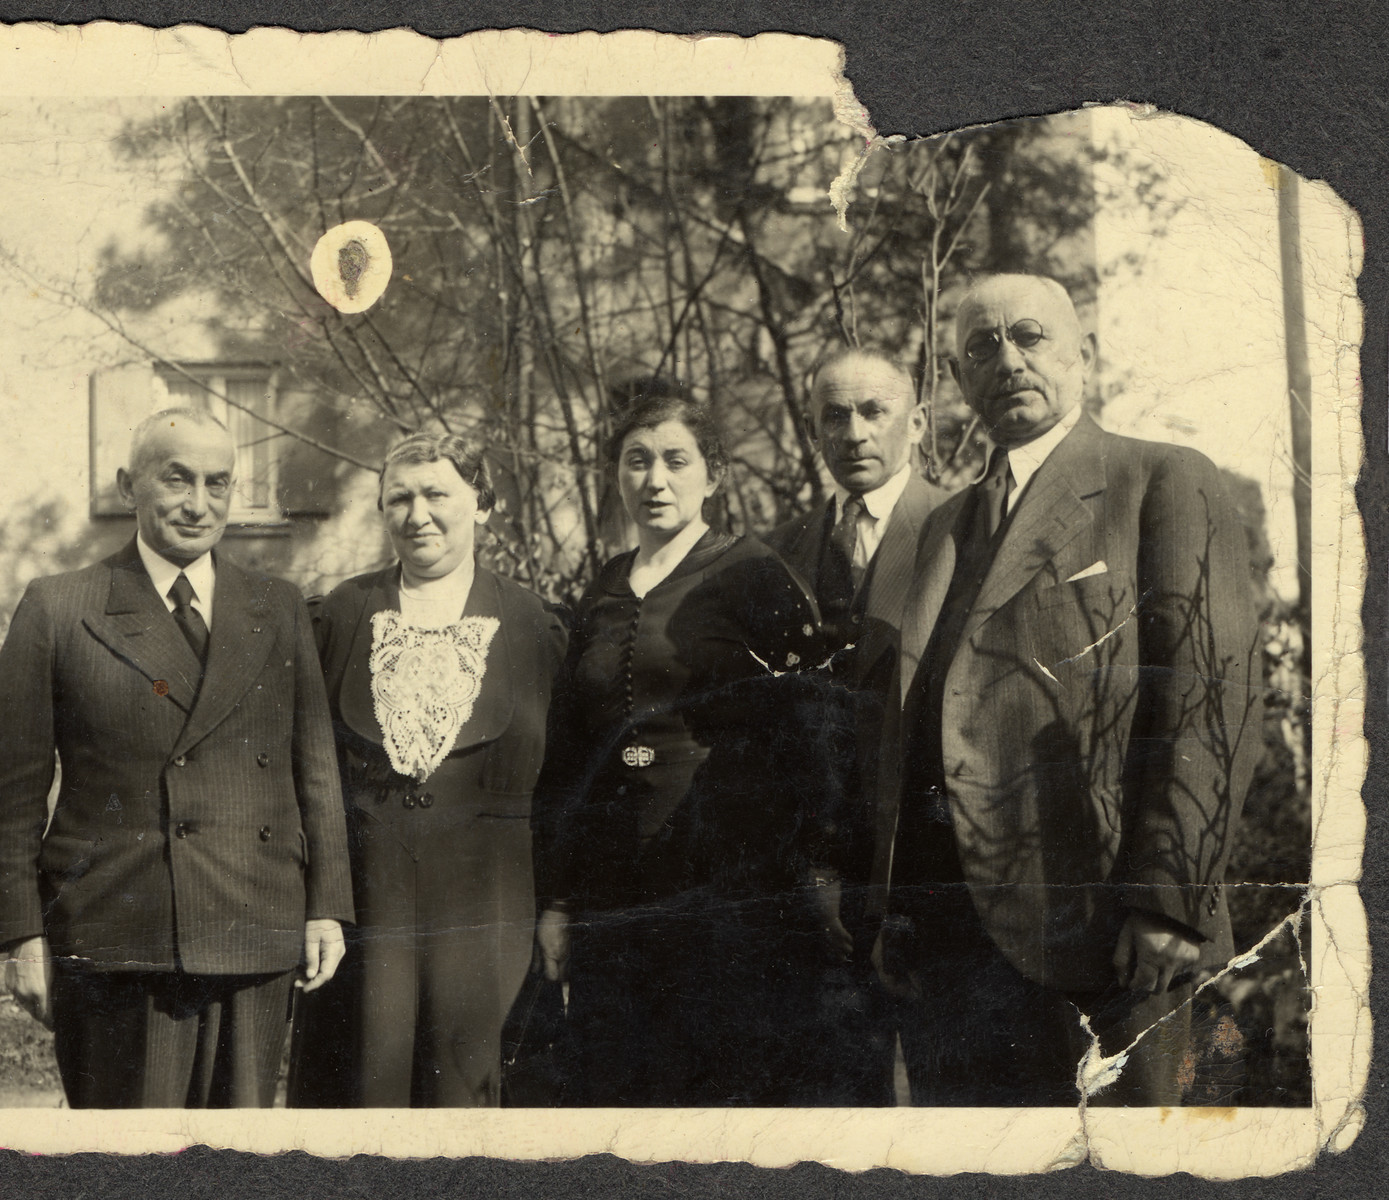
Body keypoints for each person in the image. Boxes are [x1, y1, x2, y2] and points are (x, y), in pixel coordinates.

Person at [873, 273, 1262, 1106]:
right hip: (952, 953)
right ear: (956, 377)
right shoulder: (943, 525)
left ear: (1080, 357)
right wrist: (895, 903)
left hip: (1105, 941)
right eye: (981, 346)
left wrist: (1169, 903)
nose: (1006, 358)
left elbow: (1208, 698)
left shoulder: (1157, 479)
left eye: (1029, 336)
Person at [0, 406, 353, 1109]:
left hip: (255, 929)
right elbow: (8, 789)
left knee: (236, 1166)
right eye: (176, 479)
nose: (198, 503)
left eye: (217, 483)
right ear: (128, 485)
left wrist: (326, 906)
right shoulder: (61, 608)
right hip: (121, 935)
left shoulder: (277, 605)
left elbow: (316, 769)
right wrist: (22, 932)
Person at [534, 381, 831, 1106]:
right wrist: (560, 898)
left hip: (724, 881)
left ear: (713, 474)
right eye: (636, 461)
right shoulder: (601, 589)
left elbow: (817, 731)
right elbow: (573, 755)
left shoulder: (754, 573)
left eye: (675, 459)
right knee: (622, 1087)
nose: (655, 480)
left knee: (719, 1085)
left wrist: (813, 868)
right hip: (613, 889)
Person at [292, 433, 569, 1108]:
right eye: (399, 498)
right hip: (365, 915)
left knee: (470, 1102)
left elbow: (568, 782)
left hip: (491, 915)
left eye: (436, 494)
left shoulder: (534, 626)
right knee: (362, 1099)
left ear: (484, 505)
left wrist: (560, 904)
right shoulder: (339, 617)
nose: (417, 514)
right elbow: (303, 771)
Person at [762, 349, 948, 1105]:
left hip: (933, 877)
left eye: (873, 411)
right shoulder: (783, 552)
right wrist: (812, 871)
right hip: (824, 888)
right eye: (833, 415)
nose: (854, 432)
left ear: (917, 421)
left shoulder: (959, 528)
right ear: (812, 430)